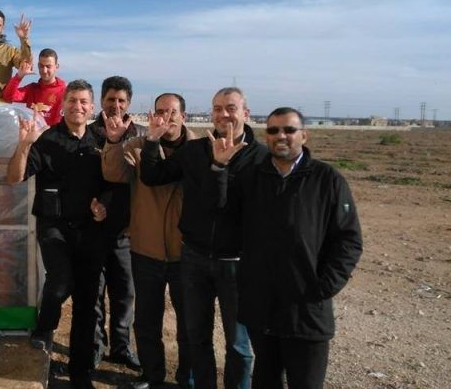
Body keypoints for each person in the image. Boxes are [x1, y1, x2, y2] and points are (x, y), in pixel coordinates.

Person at [210, 107, 363, 388]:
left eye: (289, 130)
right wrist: (220, 168)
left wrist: (324, 286)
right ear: (266, 137)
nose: (281, 136)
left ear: (303, 135)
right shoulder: (252, 177)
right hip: (262, 308)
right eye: (273, 130)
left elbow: (349, 240)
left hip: (306, 310)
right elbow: (225, 220)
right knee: (266, 380)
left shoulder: (326, 179)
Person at [141, 87, 267, 389]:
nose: (224, 114)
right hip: (195, 257)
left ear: (245, 113)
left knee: (238, 344)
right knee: (197, 338)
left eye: (231, 108)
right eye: (217, 108)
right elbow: (154, 176)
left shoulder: (261, 158)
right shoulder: (196, 150)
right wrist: (152, 141)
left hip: (237, 261)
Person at [7, 80, 111, 389]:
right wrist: (25, 144)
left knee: (87, 303)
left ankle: (81, 375)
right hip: (54, 227)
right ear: (62, 105)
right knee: (60, 282)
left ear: (92, 108)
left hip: (90, 231)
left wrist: (104, 204)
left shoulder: (103, 140)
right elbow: (14, 177)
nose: (78, 106)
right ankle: (44, 326)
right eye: (72, 101)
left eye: (83, 102)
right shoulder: (47, 139)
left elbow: (113, 183)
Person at [101, 93, 196, 389]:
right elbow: (114, 173)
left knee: (190, 323)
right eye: (160, 112)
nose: (166, 117)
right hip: (146, 248)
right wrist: (115, 141)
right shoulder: (138, 147)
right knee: (146, 321)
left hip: (187, 251)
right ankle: (152, 375)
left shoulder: (201, 150)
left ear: (184, 115)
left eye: (172, 111)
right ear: (153, 115)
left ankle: (187, 378)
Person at [89, 76, 144, 372]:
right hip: (94, 228)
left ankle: (122, 346)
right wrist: (93, 203)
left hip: (126, 230)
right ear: (101, 101)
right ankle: (97, 345)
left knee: (125, 292)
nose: (116, 105)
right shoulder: (89, 134)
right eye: (111, 99)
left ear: (129, 104)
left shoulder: (139, 135)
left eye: (122, 100)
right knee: (94, 293)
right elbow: (85, 179)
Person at [1, 48, 66, 126]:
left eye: (48, 66)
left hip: (52, 136)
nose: (44, 71)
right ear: (38, 66)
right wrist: (19, 76)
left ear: (56, 66)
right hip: (32, 136)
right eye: (41, 66)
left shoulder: (64, 92)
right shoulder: (32, 89)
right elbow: (8, 97)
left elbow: (61, 122)